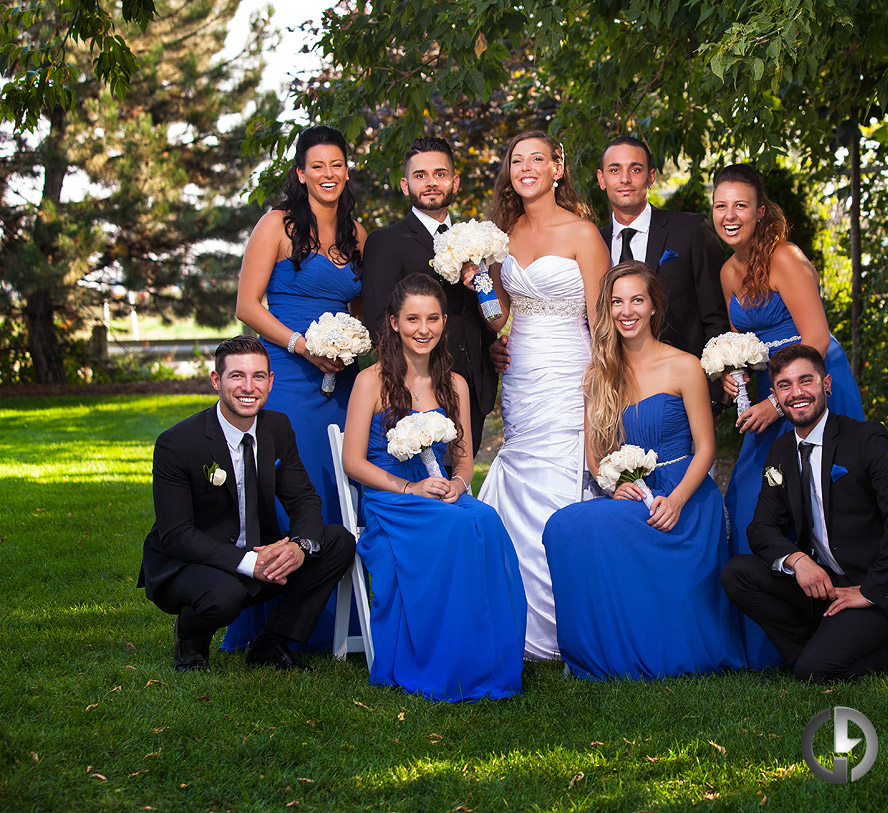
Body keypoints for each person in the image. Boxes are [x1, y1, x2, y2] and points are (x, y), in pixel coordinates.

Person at [542, 263, 745, 680]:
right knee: (563, 526)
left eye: (637, 300)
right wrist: (614, 485)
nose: (626, 310)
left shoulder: (683, 366)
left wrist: (677, 499)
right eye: (617, 302)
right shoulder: (600, 375)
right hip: (631, 493)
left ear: (654, 307)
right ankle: (599, 649)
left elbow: (707, 449)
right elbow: (595, 455)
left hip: (684, 497)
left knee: (583, 527)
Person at [711, 163, 866, 669]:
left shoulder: (786, 257)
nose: (730, 215)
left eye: (740, 205)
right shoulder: (727, 272)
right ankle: (779, 635)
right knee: (753, 493)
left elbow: (816, 338)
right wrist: (733, 373)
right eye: (721, 205)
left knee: (833, 495)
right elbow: (750, 345)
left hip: (813, 386)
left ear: (760, 211)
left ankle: (857, 616)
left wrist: (778, 401)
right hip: (769, 391)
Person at [343, 274, 526, 701]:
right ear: (393, 323)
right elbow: (353, 462)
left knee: (485, 519)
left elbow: (463, 459)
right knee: (460, 529)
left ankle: (487, 661)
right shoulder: (371, 381)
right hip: (391, 500)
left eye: (432, 318)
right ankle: (443, 660)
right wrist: (409, 489)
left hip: (441, 494)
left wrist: (459, 484)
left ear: (444, 322)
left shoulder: (456, 384)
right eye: (412, 319)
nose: (422, 329)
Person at [721, 344, 888, 681]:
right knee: (738, 573)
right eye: (785, 385)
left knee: (816, 671)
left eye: (806, 381)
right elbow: (761, 528)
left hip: (875, 586)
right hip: (826, 582)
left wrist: (870, 590)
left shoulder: (865, 438)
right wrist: (799, 562)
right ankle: (812, 655)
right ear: (775, 395)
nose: (797, 393)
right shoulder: (782, 449)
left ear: (826, 384)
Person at [224, 124, 367, 653]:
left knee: (337, 488)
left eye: (337, 164)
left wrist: (348, 348)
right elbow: (247, 305)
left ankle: (332, 622)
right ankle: (272, 623)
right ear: (302, 173)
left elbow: (359, 309)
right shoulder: (277, 225)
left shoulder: (358, 234)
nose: (328, 174)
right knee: (290, 490)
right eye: (318, 166)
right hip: (288, 374)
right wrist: (303, 346)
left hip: (341, 382)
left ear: (346, 170)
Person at [472, 130, 610, 660]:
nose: (525, 167)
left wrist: (599, 383)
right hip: (522, 374)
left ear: (558, 168)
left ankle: (566, 619)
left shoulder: (583, 234)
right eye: (515, 160)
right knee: (524, 467)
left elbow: (602, 322)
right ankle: (519, 617)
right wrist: (479, 281)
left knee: (562, 477)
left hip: (570, 370)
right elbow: (497, 317)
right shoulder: (502, 235)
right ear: (507, 172)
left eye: (537, 159)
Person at [139, 336, 356, 672]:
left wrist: (300, 546)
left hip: (256, 552)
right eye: (236, 375)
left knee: (337, 541)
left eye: (258, 376)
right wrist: (248, 562)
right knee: (225, 596)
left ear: (270, 382)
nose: (248, 386)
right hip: (188, 564)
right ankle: (191, 641)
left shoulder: (278, 427)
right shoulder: (177, 443)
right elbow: (177, 535)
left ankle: (271, 642)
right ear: (216, 381)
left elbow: (302, 499)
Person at [361, 136, 500, 454]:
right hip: (415, 391)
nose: (431, 183)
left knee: (460, 484)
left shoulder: (477, 239)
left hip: (474, 387)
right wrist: (412, 383)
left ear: (455, 181)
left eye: (440, 174)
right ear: (405, 184)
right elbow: (379, 321)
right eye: (420, 175)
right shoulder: (386, 242)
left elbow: (484, 310)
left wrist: (492, 351)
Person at [596, 136, 730, 358]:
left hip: (684, 379)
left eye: (635, 169)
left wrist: (713, 377)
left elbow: (716, 316)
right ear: (602, 179)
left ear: (651, 177)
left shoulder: (691, 229)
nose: (625, 179)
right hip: (617, 381)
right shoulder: (594, 242)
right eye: (615, 170)